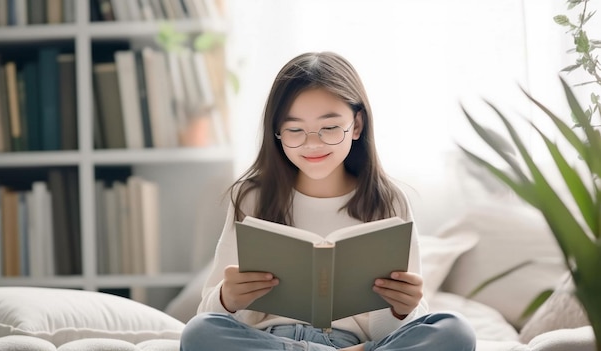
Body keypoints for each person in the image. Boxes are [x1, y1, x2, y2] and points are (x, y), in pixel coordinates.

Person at [180, 51, 476, 351]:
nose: (312, 143)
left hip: (353, 343)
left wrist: (401, 310)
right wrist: (227, 299)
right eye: (295, 129)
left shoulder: (388, 201)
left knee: (454, 330)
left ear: (357, 125)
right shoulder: (251, 196)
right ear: (277, 132)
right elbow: (209, 315)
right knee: (199, 332)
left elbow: (396, 329)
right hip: (269, 340)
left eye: (330, 127)